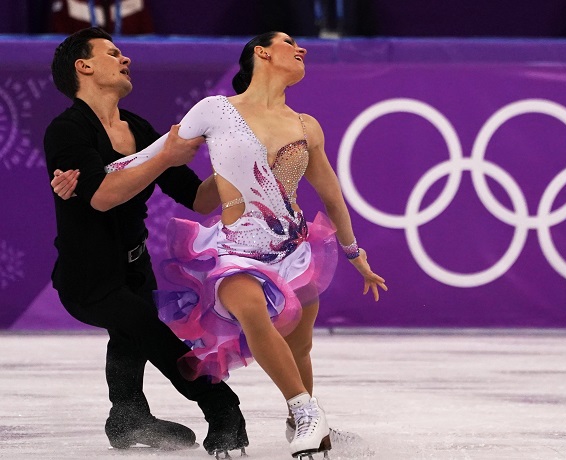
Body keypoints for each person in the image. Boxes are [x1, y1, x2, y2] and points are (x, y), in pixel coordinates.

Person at [101, 30, 388, 458]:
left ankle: (304, 427)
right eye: (289, 42)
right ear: (262, 52)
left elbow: (331, 195)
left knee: (300, 345)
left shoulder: (305, 125)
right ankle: (306, 410)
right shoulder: (217, 111)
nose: (301, 49)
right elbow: (156, 152)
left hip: (294, 249)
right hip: (236, 247)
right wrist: (93, 174)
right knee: (250, 307)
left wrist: (354, 254)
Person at [44, 27, 249, 457]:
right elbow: (101, 198)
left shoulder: (137, 127)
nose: (126, 59)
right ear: (84, 66)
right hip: (88, 274)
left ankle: (128, 414)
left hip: (135, 266)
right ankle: (222, 408)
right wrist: (163, 157)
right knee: (148, 330)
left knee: (131, 332)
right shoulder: (67, 131)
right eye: (113, 53)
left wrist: (239, 160)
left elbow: (196, 196)